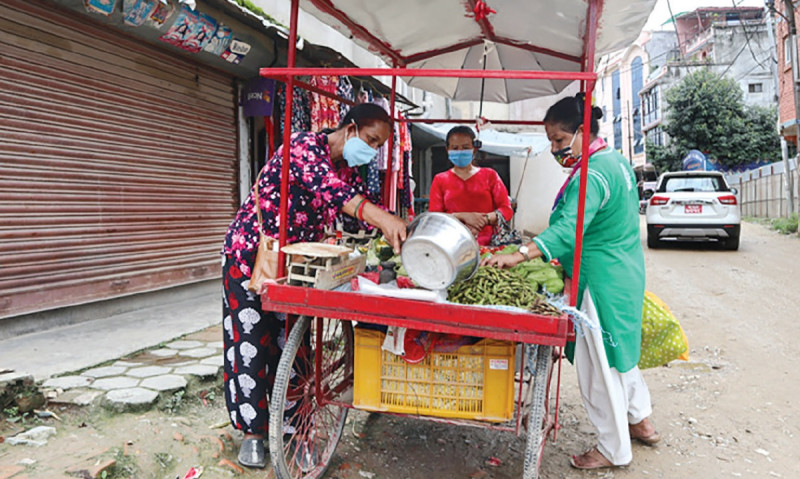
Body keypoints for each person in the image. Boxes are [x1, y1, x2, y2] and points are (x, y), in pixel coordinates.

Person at [221, 103, 407, 468]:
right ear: (350, 127)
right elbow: (333, 192)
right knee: (251, 344)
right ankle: (253, 433)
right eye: (369, 139)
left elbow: (356, 216)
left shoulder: (349, 169)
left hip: (298, 266)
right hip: (252, 257)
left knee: (297, 344)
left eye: (377, 145)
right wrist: (379, 215)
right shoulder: (304, 146)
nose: (370, 150)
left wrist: (397, 228)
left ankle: (294, 428)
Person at [484, 94, 659, 470]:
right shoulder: (615, 162)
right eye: (551, 142)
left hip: (599, 278)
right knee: (619, 354)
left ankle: (613, 449)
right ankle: (640, 419)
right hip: (623, 270)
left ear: (582, 132)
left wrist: (519, 254)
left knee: (598, 363)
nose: (555, 149)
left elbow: (568, 229)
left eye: (560, 141)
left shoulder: (591, 174)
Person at [428, 126, 513, 245]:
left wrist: (484, 220)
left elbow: (506, 210)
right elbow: (435, 217)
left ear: (474, 149)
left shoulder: (490, 175)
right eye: (455, 148)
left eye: (465, 147)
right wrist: (462, 217)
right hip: (452, 244)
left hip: (489, 245)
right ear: (447, 150)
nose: (460, 151)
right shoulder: (440, 180)